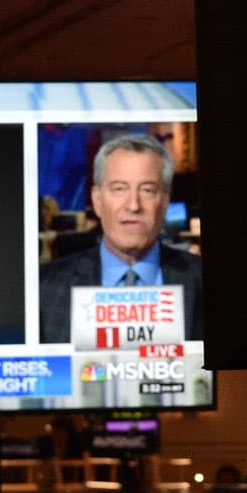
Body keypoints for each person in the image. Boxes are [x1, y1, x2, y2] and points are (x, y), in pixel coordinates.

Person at [38, 132, 201, 343]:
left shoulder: (203, 280)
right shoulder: (44, 288)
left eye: (147, 190)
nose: (133, 205)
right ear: (97, 201)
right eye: (119, 189)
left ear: (165, 201)